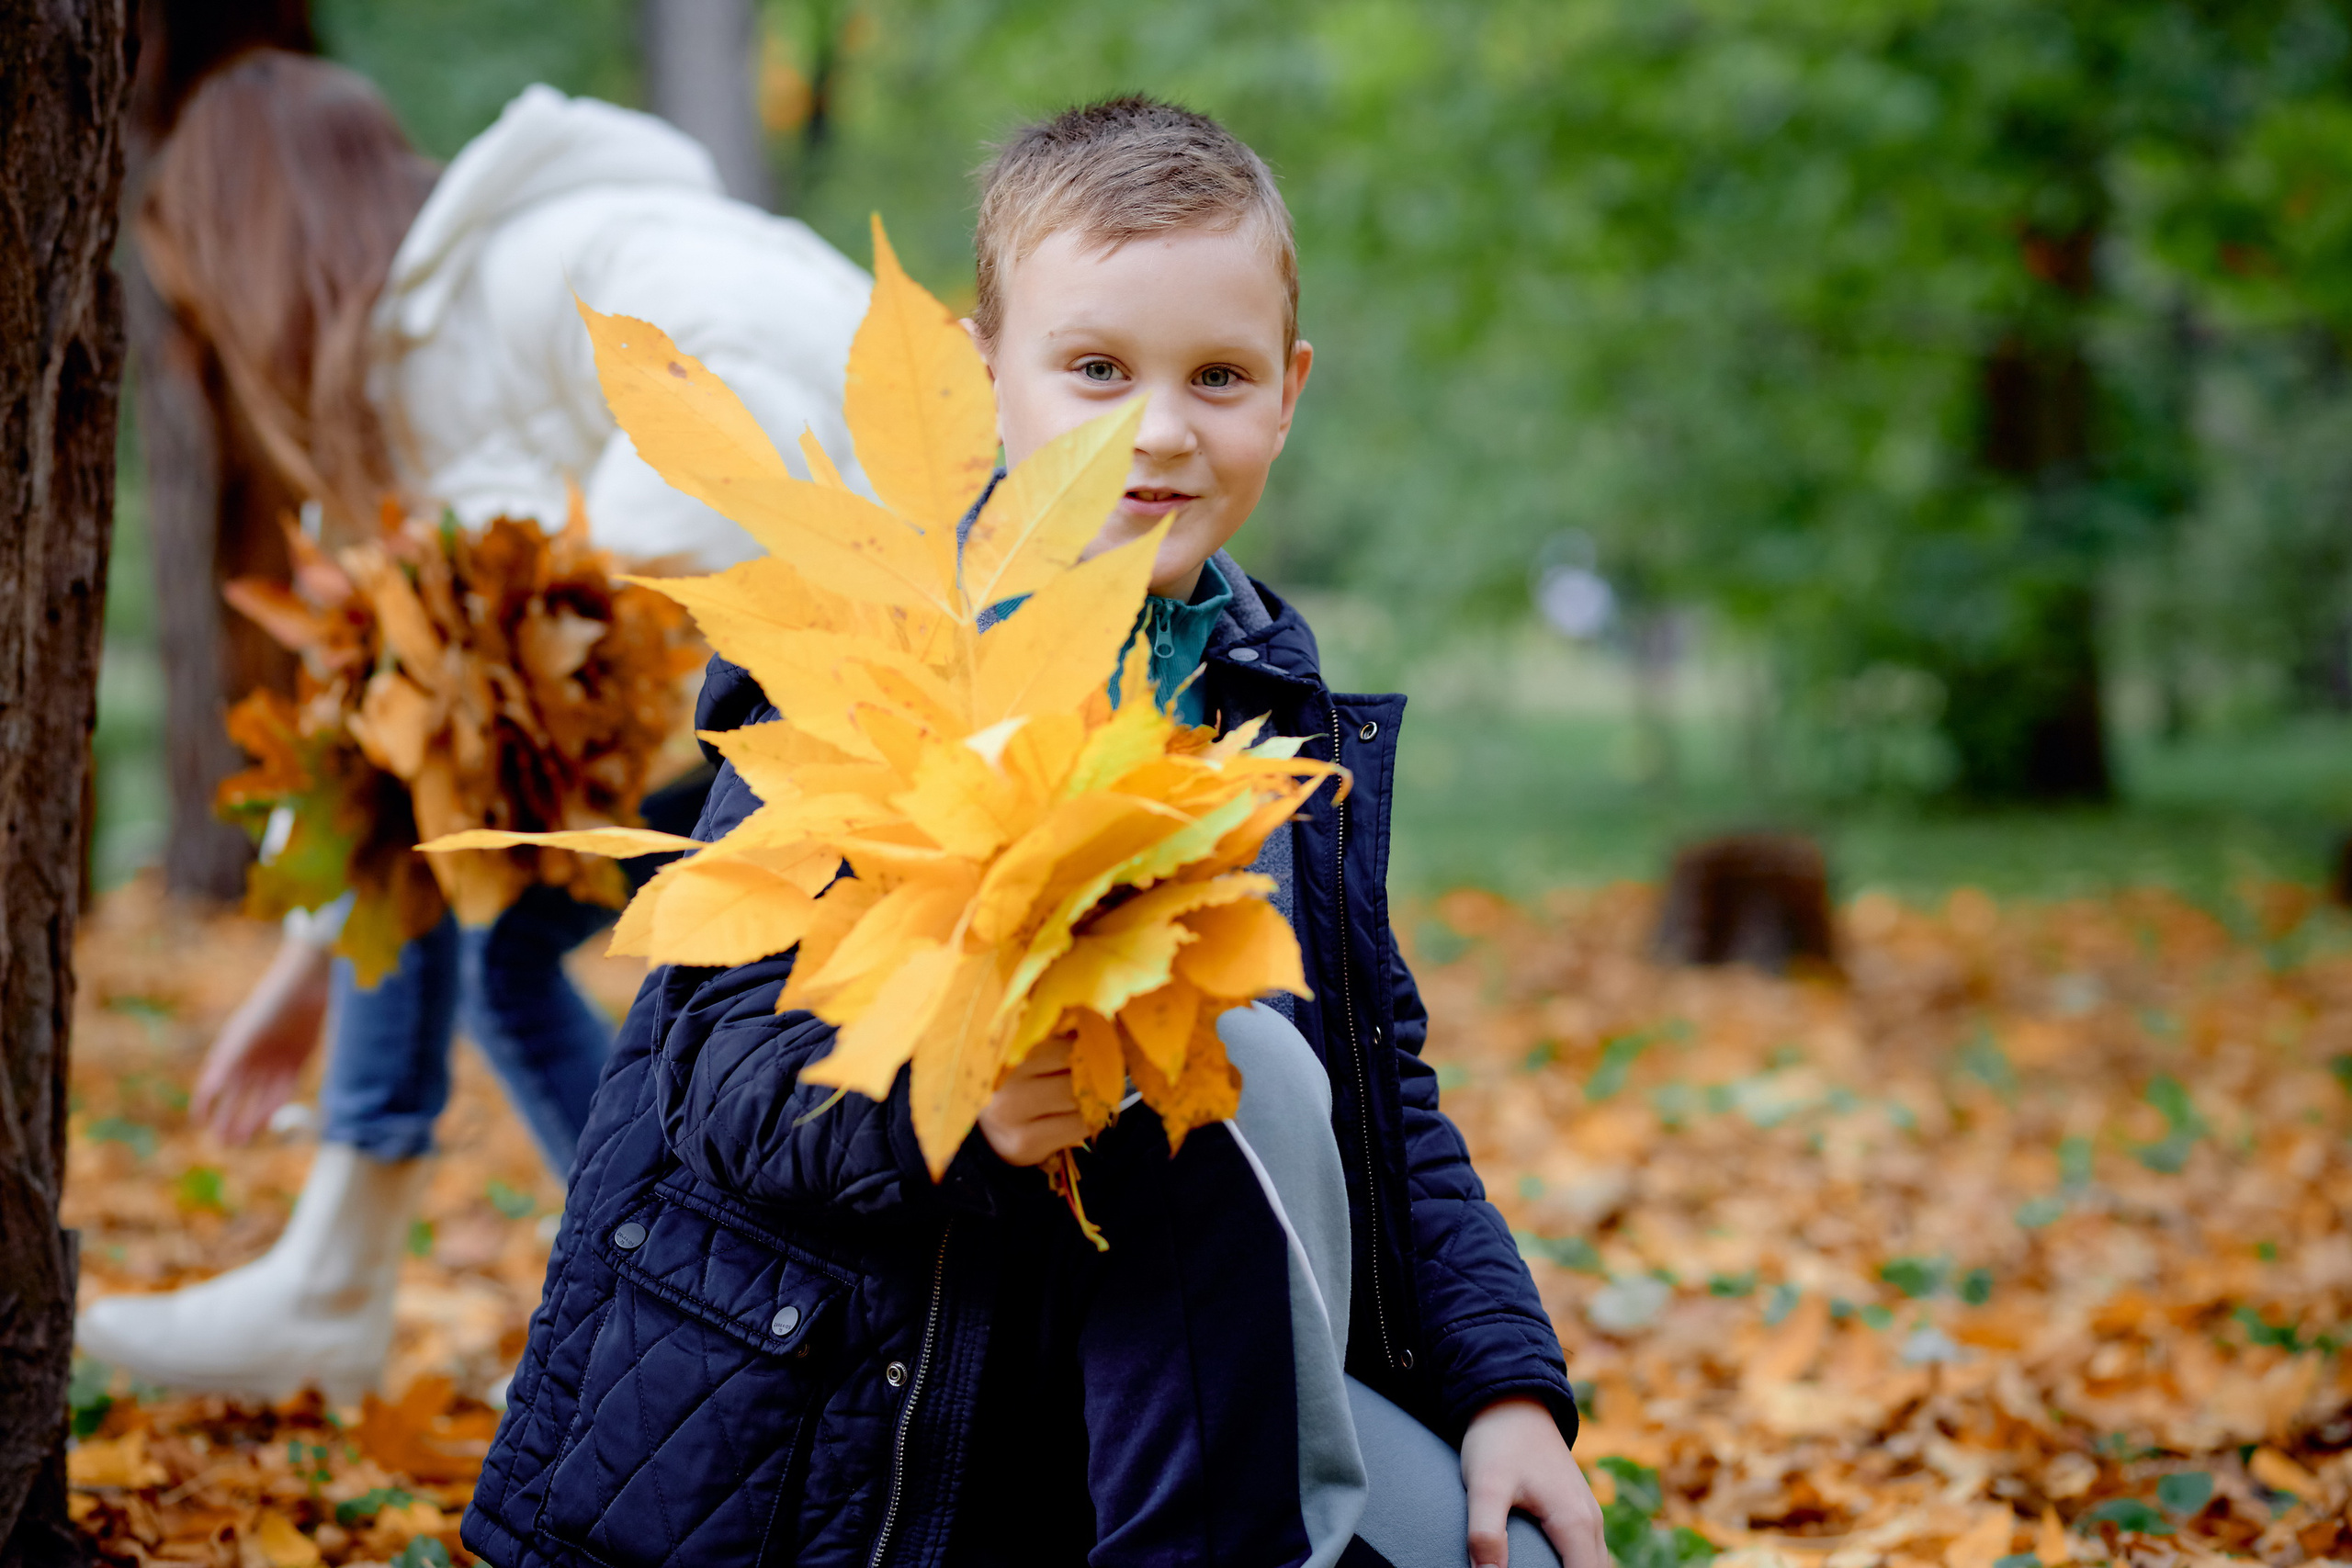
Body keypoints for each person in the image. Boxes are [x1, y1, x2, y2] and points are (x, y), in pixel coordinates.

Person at [462, 99, 1604, 1568]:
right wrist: (953, 1115)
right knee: (1227, 1055)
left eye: (1218, 375)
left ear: (1288, 390)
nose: (1162, 430)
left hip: (1169, 1381)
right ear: (982, 373)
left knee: (1494, 1536)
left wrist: (1499, 1384)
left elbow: (1386, 1098)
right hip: (876, 1420)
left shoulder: (1264, 696)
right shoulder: (884, 657)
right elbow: (718, 1070)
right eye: (1096, 372)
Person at [74, 51, 872, 1404]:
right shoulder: (386, 393)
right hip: (748, 687)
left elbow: (768, 362)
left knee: (484, 874)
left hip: (854, 658)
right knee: (480, 889)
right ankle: (418, 1284)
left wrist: (564, 596)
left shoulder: (539, 255)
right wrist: (300, 975)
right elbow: (388, 731)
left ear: (249, 243)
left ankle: (629, 1303)